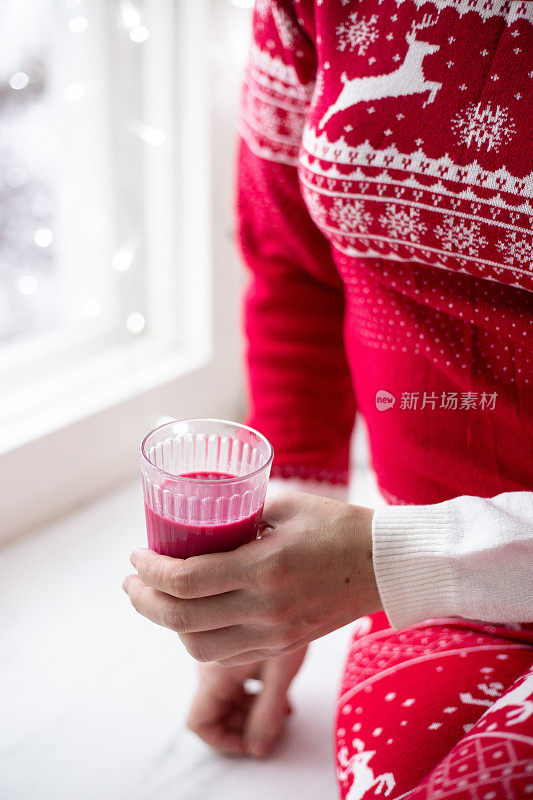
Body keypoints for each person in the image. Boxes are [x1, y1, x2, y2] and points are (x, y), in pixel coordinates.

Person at [123, 1, 533, 797]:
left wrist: (389, 561)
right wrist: (270, 588)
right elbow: (295, 272)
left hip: (412, 565)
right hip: (431, 592)